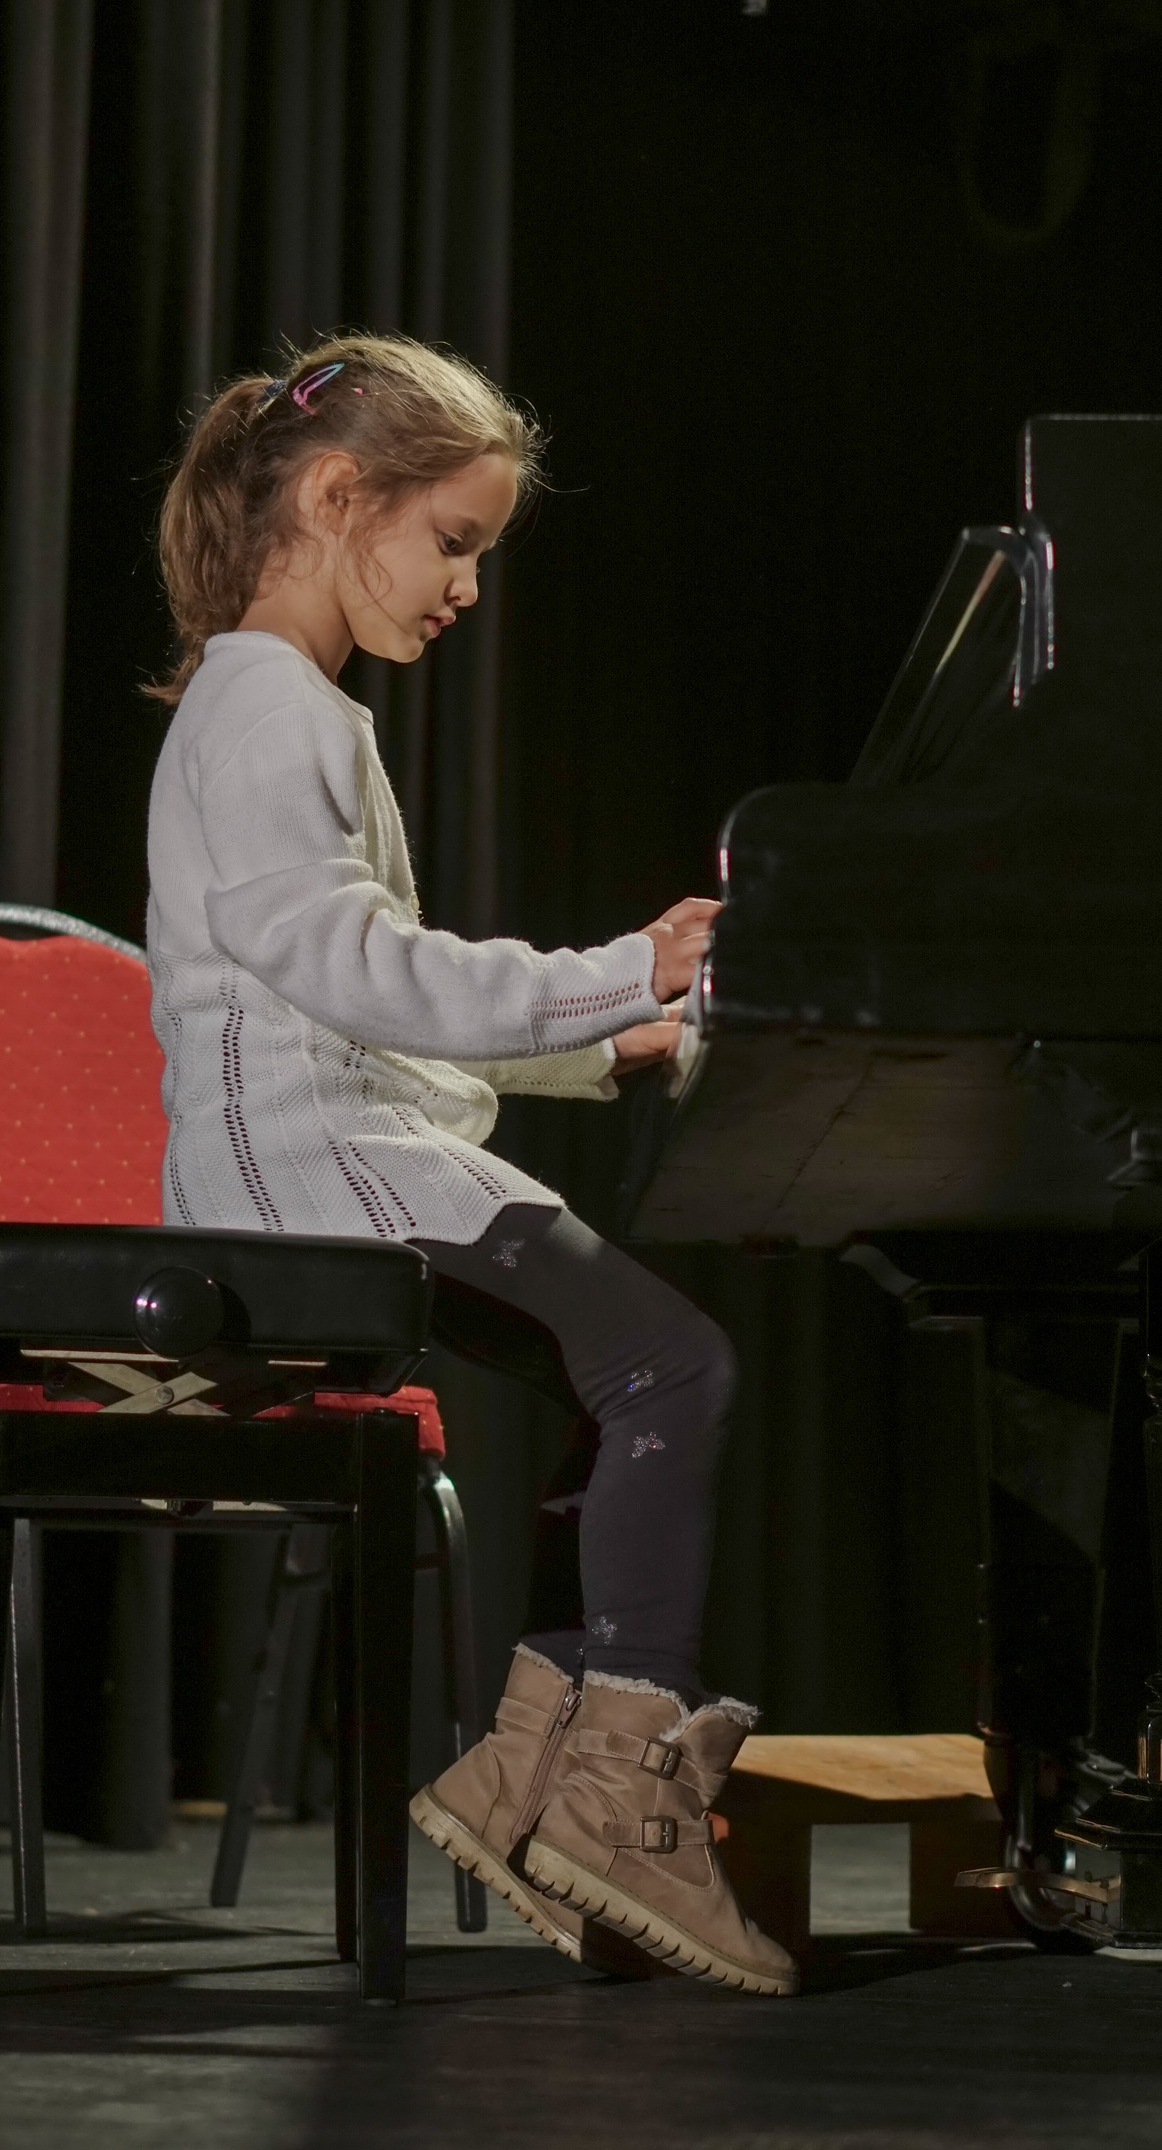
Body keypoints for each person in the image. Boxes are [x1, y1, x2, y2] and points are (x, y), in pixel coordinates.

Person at [145, 333, 795, 1997]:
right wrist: (627, 965)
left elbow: (355, 1012)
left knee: (620, 1377)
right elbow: (360, 977)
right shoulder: (264, 705)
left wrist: (604, 1043)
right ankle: (612, 1801)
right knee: (672, 1364)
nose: (465, 590)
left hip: (332, 1151)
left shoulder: (281, 705)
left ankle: (532, 1772)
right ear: (333, 497)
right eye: (452, 542)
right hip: (310, 1181)